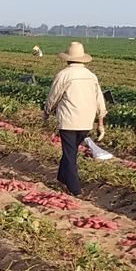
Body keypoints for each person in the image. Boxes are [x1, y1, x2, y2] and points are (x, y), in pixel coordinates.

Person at [43, 42, 107, 196]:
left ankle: (75, 188)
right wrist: (100, 123)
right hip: (86, 122)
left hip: (68, 120)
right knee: (71, 150)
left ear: (68, 59)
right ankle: (62, 177)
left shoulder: (64, 75)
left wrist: (47, 111)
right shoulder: (91, 76)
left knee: (70, 153)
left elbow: (54, 96)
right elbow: (100, 101)